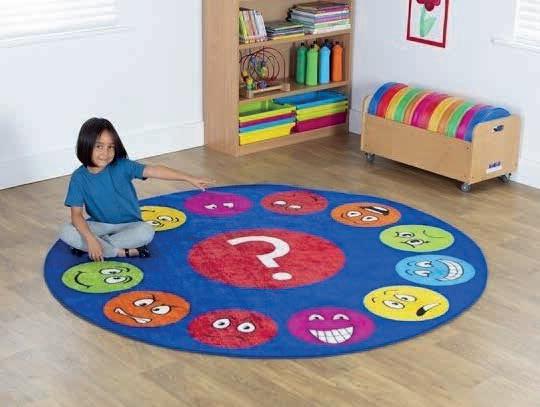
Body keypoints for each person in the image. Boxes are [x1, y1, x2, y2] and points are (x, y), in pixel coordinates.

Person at [59, 117, 214, 261]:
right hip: (101, 225)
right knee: (66, 231)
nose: (105, 153)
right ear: (86, 145)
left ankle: (93, 247)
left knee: (146, 232)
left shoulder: (123, 166)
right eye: (99, 146)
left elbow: (155, 170)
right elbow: (76, 215)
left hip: (131, 225)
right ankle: (119, 252)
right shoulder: (79, 177)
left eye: (110, 147)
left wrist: (188, 178)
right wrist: (90, 238)